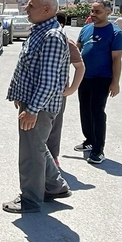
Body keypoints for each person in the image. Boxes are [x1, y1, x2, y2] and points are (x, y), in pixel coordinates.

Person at [3, 0, 72, 213]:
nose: (26, 9)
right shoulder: (40, 31)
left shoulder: (51, 36)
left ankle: (31, 200)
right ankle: (55, 186)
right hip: (33, 103)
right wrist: (19, 95)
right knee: (37, 147)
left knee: (31, 153)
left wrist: (31, 110)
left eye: (31, 6)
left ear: (46, 10)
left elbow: (49, 81)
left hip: (39, 107)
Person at [74, 0, 122, 164]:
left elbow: (116, 59)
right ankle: (89, 141)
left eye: (97, 12)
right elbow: (77, 50)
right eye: (92, 11)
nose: (92, 15)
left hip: (102, 78)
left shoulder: (115, 33)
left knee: (97, 111)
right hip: (84, 77)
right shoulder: (86, 29)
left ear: (108, 12)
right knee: (85, 110)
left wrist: (115, 82)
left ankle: (98, 150)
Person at [46, 12, 85, 168]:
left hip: (58, 93)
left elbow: (80, 66)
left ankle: (53, 157)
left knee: (54, 125)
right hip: (40, 91)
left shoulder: (67, 43)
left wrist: (72, 88)